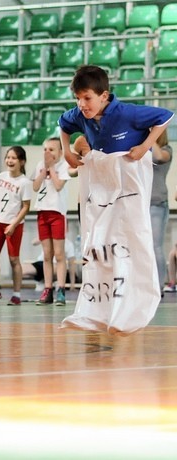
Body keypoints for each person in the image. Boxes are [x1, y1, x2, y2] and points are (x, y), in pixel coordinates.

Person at [59, 64, 173, 335]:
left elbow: (166, 116)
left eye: (87, 98)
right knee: (100, 247)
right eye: (77, 98)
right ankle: (101, 308)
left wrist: (145, 146)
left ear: (104, 95)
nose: (81, 104)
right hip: (101, 189)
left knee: (135, 245)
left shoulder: (127, 112)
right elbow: (63, 124)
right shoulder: (79, 114)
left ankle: (138, 301)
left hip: (129, 189)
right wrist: (66, 151)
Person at [0, 146, 34, 306]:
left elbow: (26, 207)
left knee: (14, 259)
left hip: (13, 225)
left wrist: (13, 225)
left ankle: (16, 294)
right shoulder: (2, 176)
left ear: (21, 161)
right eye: (8, 157)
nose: (9, 161)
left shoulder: (24, 182)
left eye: (13, 158)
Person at [32, 137, 71, 306]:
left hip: (57, 214)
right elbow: (35, 187)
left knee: (59, 254)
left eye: (52, 150)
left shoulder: (64, 166)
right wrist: (43, 170)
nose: (47, 153)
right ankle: (47, 289)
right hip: (42, 213)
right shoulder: (40, 165)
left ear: (60, 153)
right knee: (47, 255)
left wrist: (52, 168)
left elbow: (58, 185)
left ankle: (61, 289)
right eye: (45, 149)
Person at [149, 132, 172, 294]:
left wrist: (150, 137)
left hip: (157, 203)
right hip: (140, 203)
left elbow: (158, 157)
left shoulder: (166, 149)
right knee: (142, 247)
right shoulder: (143, 150)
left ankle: (158, 286)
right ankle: (146, 285)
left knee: (155, 246)